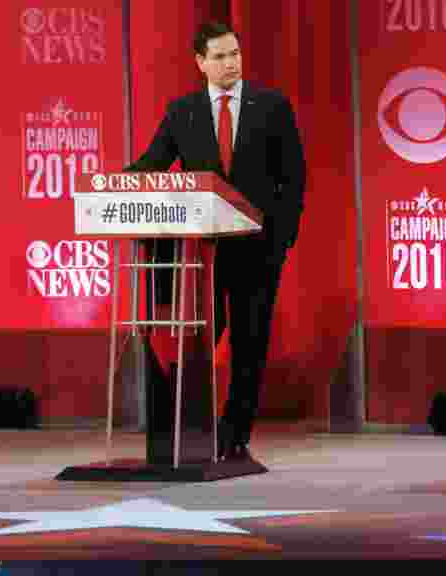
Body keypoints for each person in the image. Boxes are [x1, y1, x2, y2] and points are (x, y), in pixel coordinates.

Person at [125, 21, 306, 461]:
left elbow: (293, 179)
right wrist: (113, 185)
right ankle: (191, 427)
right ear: (201, 63)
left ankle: (236, 432)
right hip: (201, 252)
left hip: (258, 248)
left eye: (235, 54)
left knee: (249, 341)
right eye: (221, 56)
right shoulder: (182, 112)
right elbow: (153, 163)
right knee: (200, 340)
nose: (231, 64)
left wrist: (280, 242)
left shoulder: (272, 106)